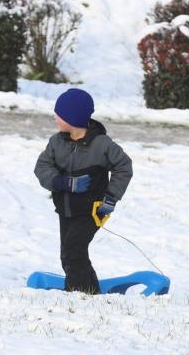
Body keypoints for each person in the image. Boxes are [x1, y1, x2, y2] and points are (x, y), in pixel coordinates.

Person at [33, 88, 133, 296]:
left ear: (74, 118)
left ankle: (78, 294)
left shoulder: (102, 145)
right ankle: (88, 292)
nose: (55, 117)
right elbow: (41, 167)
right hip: (65, 209)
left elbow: (124, 167)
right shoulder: (57, 142)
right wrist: (62, 182)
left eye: (59, 114)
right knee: (68, 254)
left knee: (74, 251)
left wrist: (111, 198)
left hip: (93, 210)